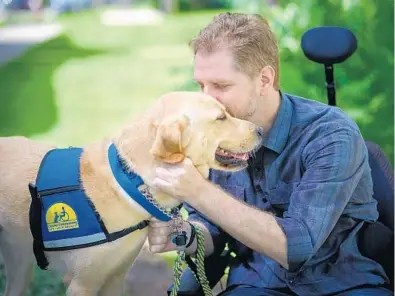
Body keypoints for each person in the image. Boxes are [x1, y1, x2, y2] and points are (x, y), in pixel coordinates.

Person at [147, 12, 392, 296]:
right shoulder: (215, 136)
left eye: (221, 86)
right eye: (201, 85)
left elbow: (297, 247)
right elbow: (212, 228)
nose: (206, 98)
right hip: (256, 284)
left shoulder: (330, 134)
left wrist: (199, 191)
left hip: (343, 285)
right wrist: (183, 233)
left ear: (264, 79)